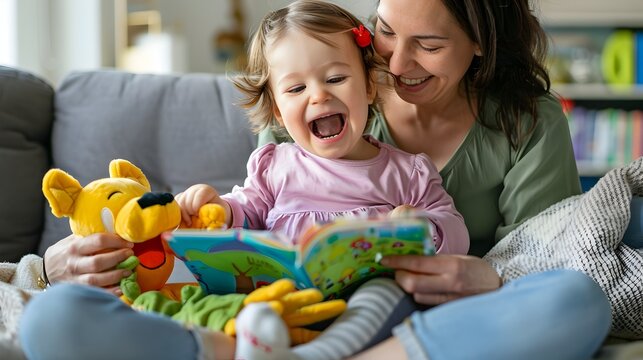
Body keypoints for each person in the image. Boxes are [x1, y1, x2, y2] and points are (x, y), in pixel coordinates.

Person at [19, 1, 470, 360]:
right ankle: (242, 340)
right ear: (276, 110)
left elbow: (455, 232)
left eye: (336, 78)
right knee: (211, 289)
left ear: (369, 87)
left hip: (356, 300)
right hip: (273, 298)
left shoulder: (407, 171)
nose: (319, 95)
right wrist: (211, 209)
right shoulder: (274, 164)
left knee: (381, 294)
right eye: (295, 89)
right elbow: (244, 209)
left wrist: (414, 227)